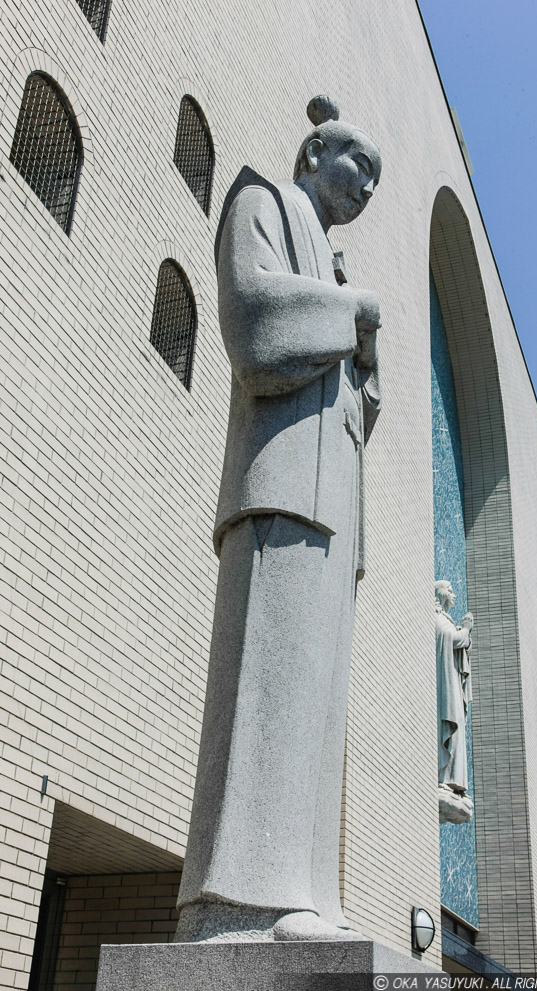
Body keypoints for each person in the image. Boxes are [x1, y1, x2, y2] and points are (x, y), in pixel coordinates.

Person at [174, 97, 382, 943]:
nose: (366, 186)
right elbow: (255, 326)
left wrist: (363, 345)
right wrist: (351, 314)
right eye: (357, 164)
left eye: (376, 179)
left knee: (315, 705)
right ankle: (237, 902)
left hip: (334, 508)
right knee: (269, 684)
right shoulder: (259, 200)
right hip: (278, 486)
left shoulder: (335, 271)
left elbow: (362, 412)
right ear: (312, 150)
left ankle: (302, 894)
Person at [434, 580, 474, 795]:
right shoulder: (438, 618)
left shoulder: (445, 619)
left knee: (458, 728)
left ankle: (454, 779)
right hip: (446, 688)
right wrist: (466, 629)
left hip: (453, 687)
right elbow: (452, 638)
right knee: (452, 727)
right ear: (440, 593)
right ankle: (445, 776)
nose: (454, 594)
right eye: (449, 590)